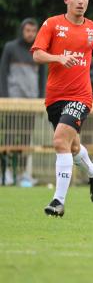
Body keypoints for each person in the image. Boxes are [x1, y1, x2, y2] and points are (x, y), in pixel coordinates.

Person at [31, 0, 93, 217]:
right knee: (72, 146)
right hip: (55, 97)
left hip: (80, 96)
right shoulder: (52, 24)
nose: (80, 2)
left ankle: (58, 201)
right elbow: (37, 54)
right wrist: (57, 58)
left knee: (58, 142)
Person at [0, 18, 45, 184]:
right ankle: (6, 174)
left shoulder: (39, 51)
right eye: (27, 30)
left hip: (31, 102)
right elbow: (3, 73)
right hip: (13, 100)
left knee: (27, 139)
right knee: (10, 137)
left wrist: (41, 99)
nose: (30, 34)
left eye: (33, 31)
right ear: (22, 30)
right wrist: (4, 98)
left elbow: (42, 79)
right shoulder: (10, 47)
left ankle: (23, 175)